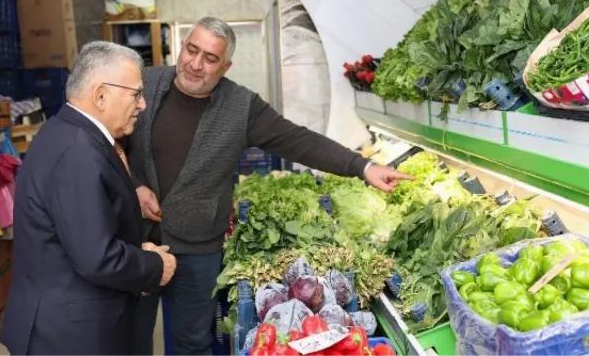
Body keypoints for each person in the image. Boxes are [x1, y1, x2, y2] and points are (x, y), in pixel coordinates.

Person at [123, 17, 413, 356]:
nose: (196, 64)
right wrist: (133, 185)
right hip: (134, 239)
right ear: (183, 45)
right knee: (130, 336)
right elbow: (107, 141)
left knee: (193, 343)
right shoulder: (143, 83)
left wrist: (362, 166)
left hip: (198, 249)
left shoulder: (241, 107)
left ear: (226, 66)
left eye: (210, 58)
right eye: (192, 50)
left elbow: (297, 140)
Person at [1, 42, 177, 356]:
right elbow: (98, 258)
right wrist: (153, 265)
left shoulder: (69, 133)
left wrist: (136, 248)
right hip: (70, 334)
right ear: (100, 96)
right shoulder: (78, 153)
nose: (142, 105)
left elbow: (85, 235)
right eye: (136, 94)